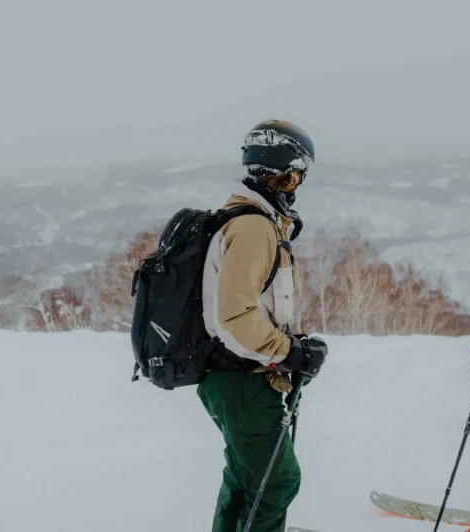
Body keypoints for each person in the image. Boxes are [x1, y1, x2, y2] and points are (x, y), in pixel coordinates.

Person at [197, 119, 329, 532]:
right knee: (276, 483)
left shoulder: (251, 219)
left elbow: (252, 307)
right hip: (241, 379)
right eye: (297, 175)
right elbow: (234, 316)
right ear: (285, 171)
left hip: (234, 376)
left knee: (245, 479)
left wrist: (291, 343)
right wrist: (288, 352)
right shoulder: (254, 226)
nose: (297, 185)